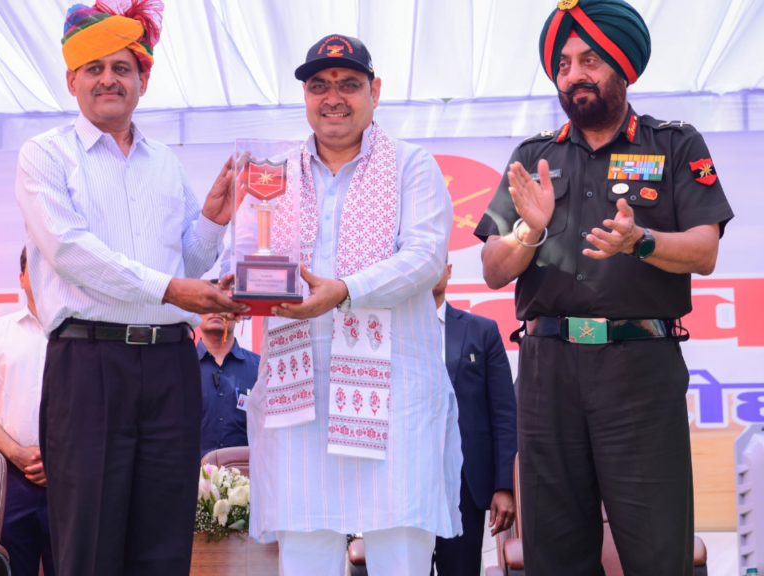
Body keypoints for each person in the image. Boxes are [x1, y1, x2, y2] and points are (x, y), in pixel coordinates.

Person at [474, 0, 734, 573]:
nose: (574, 75)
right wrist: (529, 231)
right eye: (563, 64)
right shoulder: (533, 156)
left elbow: (705, 250)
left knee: (656, 550)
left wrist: (640, 240)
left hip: (639, 368)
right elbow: (493, 268)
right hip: (547, 370)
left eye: (589, 60)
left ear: (623, 67)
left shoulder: (674, 144)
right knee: (553, 553)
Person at [14, 3, 247, 575]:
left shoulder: (164, 162)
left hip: (170, 365)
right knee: (90, 543)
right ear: (71, 80)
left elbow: (187, 261)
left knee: (165, 541)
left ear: (143, 80)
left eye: (122, 67)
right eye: (93, 68)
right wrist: (172, 289)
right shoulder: (45, 155)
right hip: (88, 364)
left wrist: (212, 222)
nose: (108, 79)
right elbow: (71, 251)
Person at [245, 34, 461, 576]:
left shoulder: (412, 165)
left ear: (374, 91)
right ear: (305, 96)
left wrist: (344, 290)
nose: (333, 97)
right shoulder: (273, 172)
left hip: (393, 398)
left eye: (348, 84)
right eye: (319, 86)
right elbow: (248, 252)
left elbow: (424, 258)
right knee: (305, 552)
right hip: (298, 399)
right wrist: (236, 278)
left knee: (400, 551)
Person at [430, 261, 517, 576]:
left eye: (436, 260)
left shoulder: (482, 330)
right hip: (405, 480)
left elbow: (504, 413)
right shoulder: (387, 330)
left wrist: (504, 486)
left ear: (449, 269)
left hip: (464, 483)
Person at [0, 248, 54, 576]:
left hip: (70, 477)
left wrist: (59, 459)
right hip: (8, 479)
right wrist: (16, 453)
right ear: (21, 278)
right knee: (7, 568)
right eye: (34, 267)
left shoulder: (85, 338)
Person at [197, 309, 259, 457]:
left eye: (224, 305)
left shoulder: (260, 367)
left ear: (238, 316)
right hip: (192, 469)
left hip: (246, 469)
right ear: (196, 313)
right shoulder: (181, 367)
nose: (216, 310)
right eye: (210, 304)